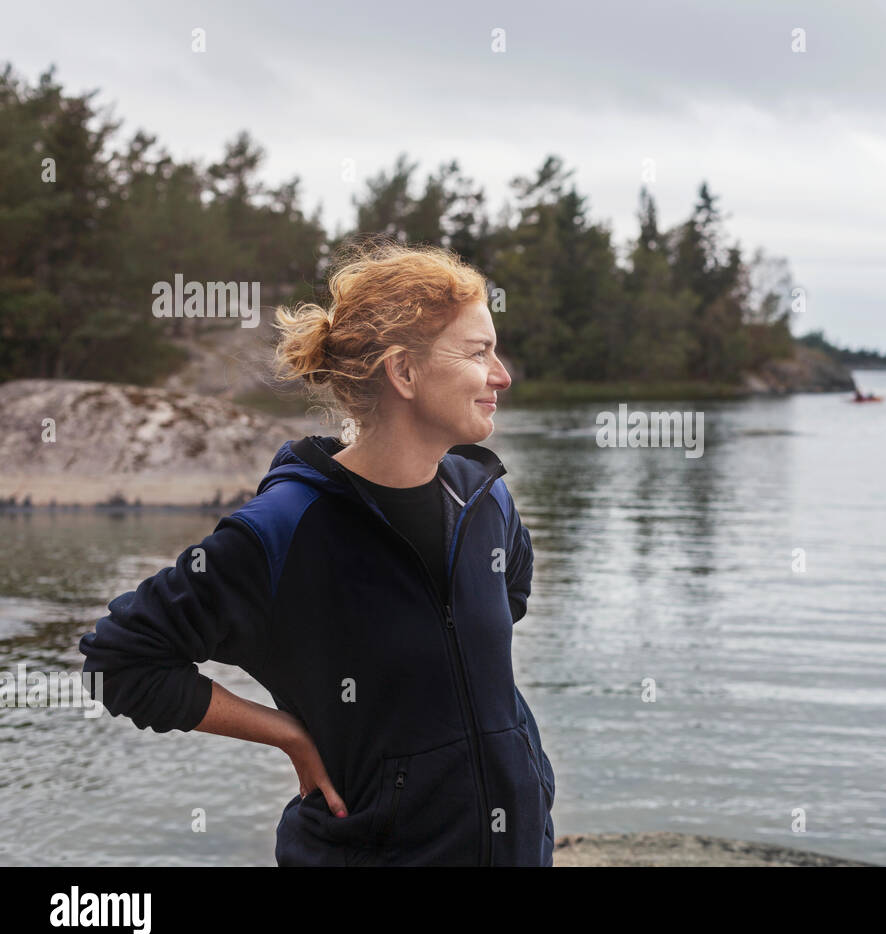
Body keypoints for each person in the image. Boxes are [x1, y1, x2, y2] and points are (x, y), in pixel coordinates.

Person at [78, 240, 555, 866]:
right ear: (404, 372)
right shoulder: (282, 532)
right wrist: (290, 736)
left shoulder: (486, 503)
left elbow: (498, 611)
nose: (502, 375)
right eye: (478, 352)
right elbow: (119, 661)